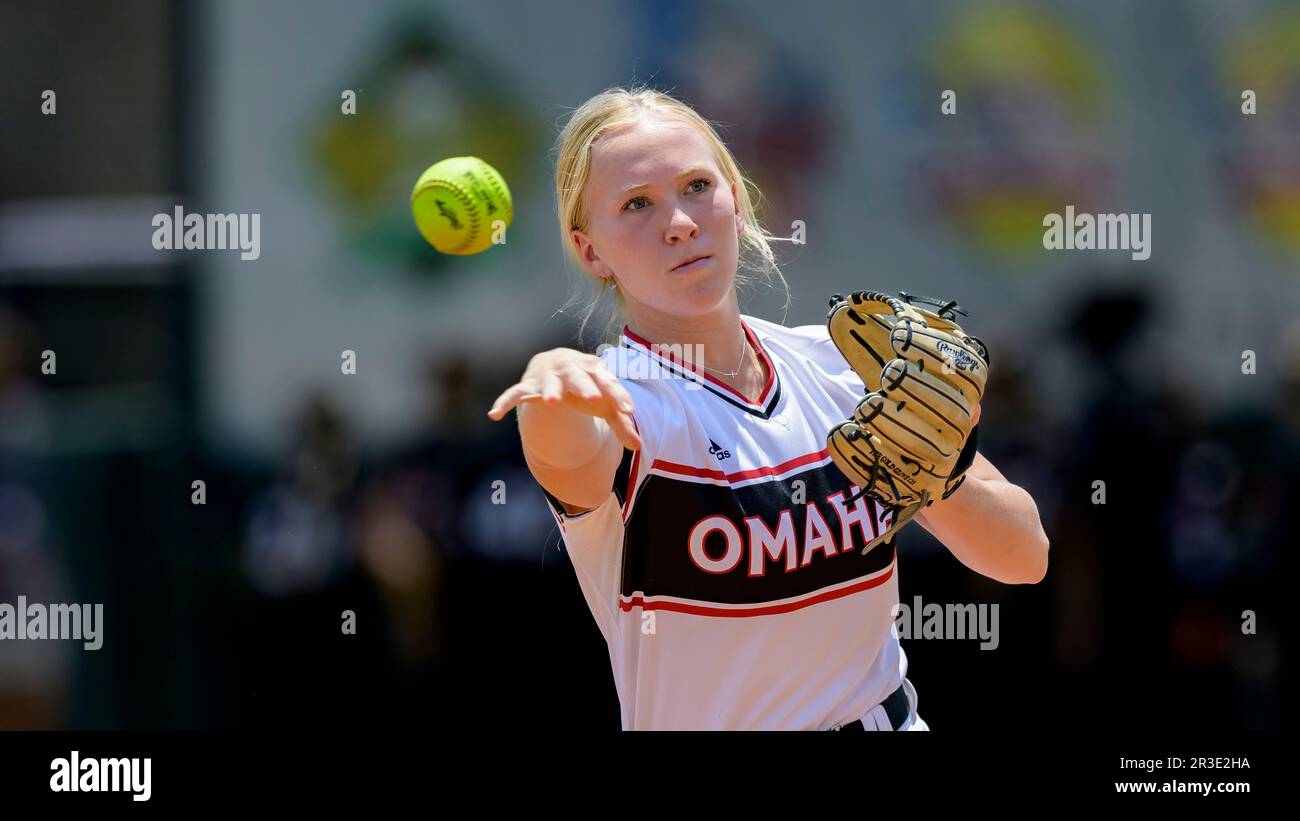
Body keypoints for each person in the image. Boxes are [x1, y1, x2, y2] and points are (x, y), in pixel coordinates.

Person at [487, 86, 1049, 730]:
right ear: (591, 252)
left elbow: (1024, 558)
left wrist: (938, 474)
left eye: (698, 186)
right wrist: (548, 388)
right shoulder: (621, 401)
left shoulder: (842, 364)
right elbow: (565, 454)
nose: (679, 221)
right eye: (637, 204)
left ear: (739, 202)